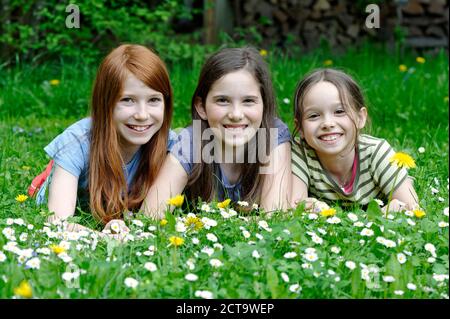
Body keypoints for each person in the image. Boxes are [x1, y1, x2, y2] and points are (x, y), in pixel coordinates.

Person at [31, 44, 176, 235]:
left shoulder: (170, 144)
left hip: (121, 200)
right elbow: (57, 223)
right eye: (127, 100)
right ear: (105, 103)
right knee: (67, 165)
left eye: (153, 100)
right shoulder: (77, 142)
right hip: (72, 189)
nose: (142, 115)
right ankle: (52, 171)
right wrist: (102, 238)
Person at [143, 47, 292, 218]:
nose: (236, 114)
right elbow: (150, 216)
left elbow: (273, 218)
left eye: (248, 101)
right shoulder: (190, 142)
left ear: (264, 105)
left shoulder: (273, 136)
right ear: (201, 107)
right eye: (222, 100)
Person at [290, 68, 419, 213]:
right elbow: (296, 206)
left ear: (360, 118)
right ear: (300, 127)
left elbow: (410, 205)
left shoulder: (376, 152)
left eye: (339, 111)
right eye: (314, 116)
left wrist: (391, 210)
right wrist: (310, 206)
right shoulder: (300, 152)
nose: (328, 123)